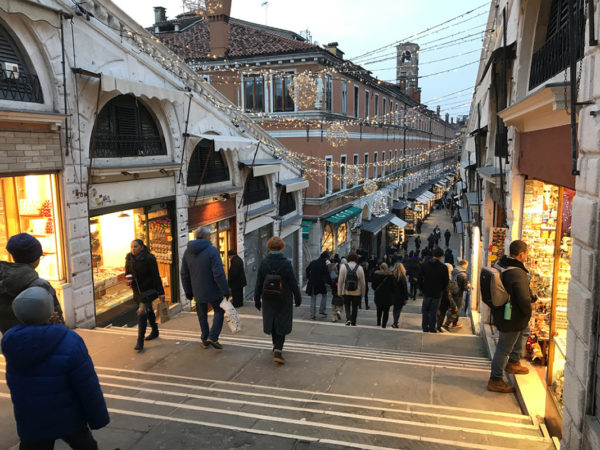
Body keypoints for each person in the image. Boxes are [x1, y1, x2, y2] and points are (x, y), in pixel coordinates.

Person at [2, 286, 109, 448]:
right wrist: (98, 417)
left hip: (32, 419)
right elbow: (88, 386)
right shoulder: (70, 341)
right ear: (48, 311)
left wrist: (51, 327)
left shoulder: (11, 342)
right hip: (69, 417)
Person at [488, 240, 534, 393]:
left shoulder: (502, 263)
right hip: (512, 316)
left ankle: (514, 361)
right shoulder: (517, 272)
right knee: (503, 348)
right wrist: (528, 312)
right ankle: (495, 379)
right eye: (526, 254)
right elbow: (523, 298)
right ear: (521, 254)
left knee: (525, 330)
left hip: (504, 312)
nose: (526, 256)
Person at [1, 233, 63, 334]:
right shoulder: (41, 286)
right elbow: (58, 321)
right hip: (39, 341)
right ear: (35, 259)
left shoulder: (3, 280)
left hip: (11, 341)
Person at [254, 237, 301, 364]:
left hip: (268, 298)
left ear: (269, 247)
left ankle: (275, 345)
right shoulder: (286, 263)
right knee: (282, 321)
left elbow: (259, 282)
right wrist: (298, 297)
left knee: (272, 321)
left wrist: (256, 299)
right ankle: (278, 349)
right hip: (283, 298)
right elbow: (293, 282)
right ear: (282, 247)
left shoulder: (264, 263)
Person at [181, 226, 230, 350]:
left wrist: (188, 291)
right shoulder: (212, 250)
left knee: (202, 315)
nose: (211, 237)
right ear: (206, 236)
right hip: (213, 289)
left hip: (197, 290)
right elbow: (218, 273)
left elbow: (184, 273)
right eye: (210, 235)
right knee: (219, 311)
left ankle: (204, 339)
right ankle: (213, 337)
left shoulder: (188, 251)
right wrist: (225, 289)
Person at [125, 239, 165, 352]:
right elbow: (127, 272)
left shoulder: (149, 258)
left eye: (136, 247)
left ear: (142, 247)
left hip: (148, 290)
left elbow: (156, 276)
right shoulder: (129, 258)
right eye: (131, 247)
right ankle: (155, 331)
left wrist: (161, 292)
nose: (133, 249)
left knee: (142, 312)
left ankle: (140, 341)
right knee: (149, 310)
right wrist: (128, 279)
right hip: (137, 291)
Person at [419, 247, 449, 333]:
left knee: (425, 310)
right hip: (437, 292)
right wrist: (441, 289)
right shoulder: (443, 267)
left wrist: (422, 289)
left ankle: (425, 327)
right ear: (441, 256)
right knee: (433, 310)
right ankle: (432, 328)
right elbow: (446, 282)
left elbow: (419, 278)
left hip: (427, 291)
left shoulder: (425, 265)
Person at [338, 253, 366, 326]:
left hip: (346, 291)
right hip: (357, 291)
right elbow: (363, 282)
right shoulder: (359, 268)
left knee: (347, 305)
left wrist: (339, 292)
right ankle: (353, 321)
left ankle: (348, 319)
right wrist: (363, 293)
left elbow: (340, 280)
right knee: (355, 307)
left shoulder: (343, 267)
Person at [305, 251, 330, 320]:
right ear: (325, 258)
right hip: (321, 283)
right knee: (324, 295)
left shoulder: (313, 262)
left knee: (313, 298)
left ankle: (312, 315)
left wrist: (308, 277)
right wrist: (331, 283)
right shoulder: (324, 265)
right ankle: (322, 310)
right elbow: (327, 276)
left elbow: (307, 269)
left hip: (312, 283)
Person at [437, 263, 460, 332]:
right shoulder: (450, 278)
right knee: (455, 311)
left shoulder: (439, 275)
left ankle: (438, 326)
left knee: (441, 312)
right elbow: (453, 291)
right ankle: (445, 325)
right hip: (447, 298)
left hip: (438, 298)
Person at [372, 262, 395, 328]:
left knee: (379, 310)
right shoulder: (390, 276)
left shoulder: (376, 275)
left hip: (378, 295)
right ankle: (384, 324)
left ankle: (378, 322)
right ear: (387, 268)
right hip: (388, 296)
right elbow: (393, 287)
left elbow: (373, 286)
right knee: (386, 311)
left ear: (380, 267)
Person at [449, 260, 471, 327]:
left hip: (452, 292)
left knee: (452, 307)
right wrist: (468, 287)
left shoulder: (454, 270)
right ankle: (454, 323)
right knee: (457, 309)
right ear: (464, 265)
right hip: (458, 294)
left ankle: (449, 321)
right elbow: (464, 287)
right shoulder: (463, 275)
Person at [391, 263, 409, 328]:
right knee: (398, 309)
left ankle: (395, 321)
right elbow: (405, 288)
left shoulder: (392, 276)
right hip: (401, 296)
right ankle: (395, 322)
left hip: (393, 295)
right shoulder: (402, 277)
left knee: (395, 309)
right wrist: (406, 298)